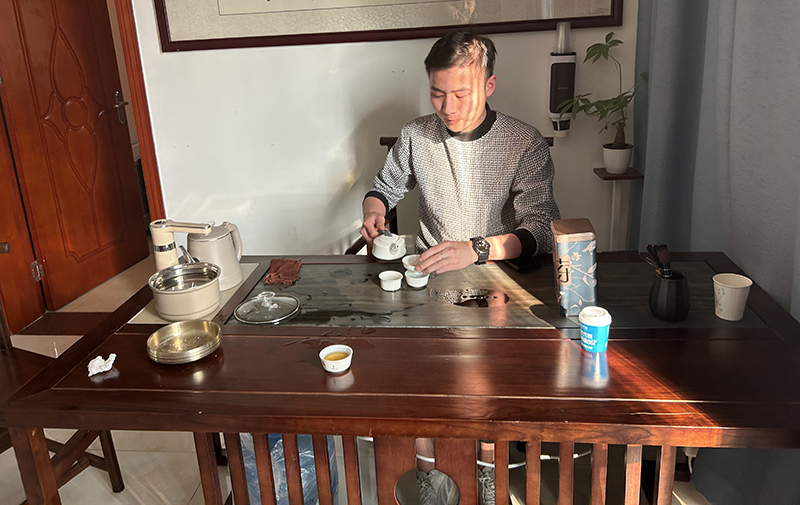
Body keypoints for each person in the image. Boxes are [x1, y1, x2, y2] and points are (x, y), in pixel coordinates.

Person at [360, 29, 560, 505]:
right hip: (429, 281)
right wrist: (373, 209)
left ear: (489, 85)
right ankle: (432, 481)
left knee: (480, 389)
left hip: (499, 283)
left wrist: (477, 249)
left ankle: (484, 481)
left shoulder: (523, 142)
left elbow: (542, 230)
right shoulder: (416, 135)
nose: (447, 107)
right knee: (421, 388)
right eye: (437, 93)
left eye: (460, 94)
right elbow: (384, 187)